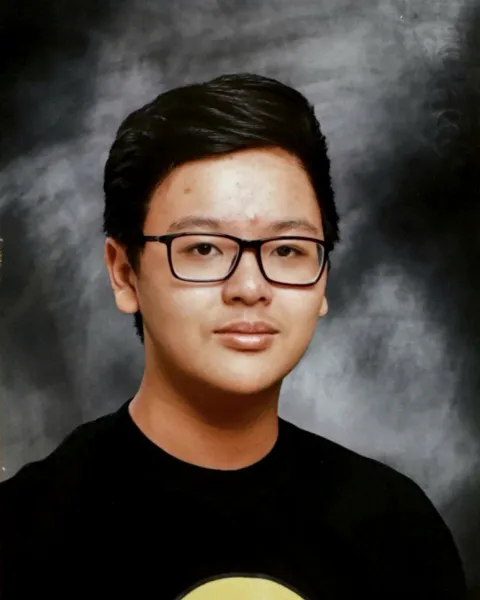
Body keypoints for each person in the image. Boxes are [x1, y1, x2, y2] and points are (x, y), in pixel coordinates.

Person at [0, 73, 468, 599]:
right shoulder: (22, 534)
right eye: (203, 248)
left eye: (287, 250)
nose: (249, 287)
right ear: (125, 273)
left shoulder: (397, 531)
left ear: (323, 280)